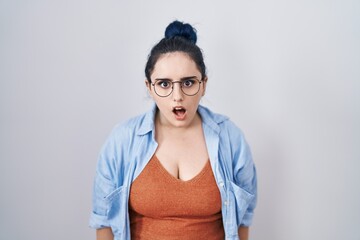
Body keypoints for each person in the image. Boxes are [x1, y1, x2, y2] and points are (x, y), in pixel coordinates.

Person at [89, 20, 257, 240]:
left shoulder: (230, 138)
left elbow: (243, 221)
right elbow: (104, 224)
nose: (177, 96)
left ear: (203, 84)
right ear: (149, 87)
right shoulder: (122, 140)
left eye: (188, 83)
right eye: (164, 84)